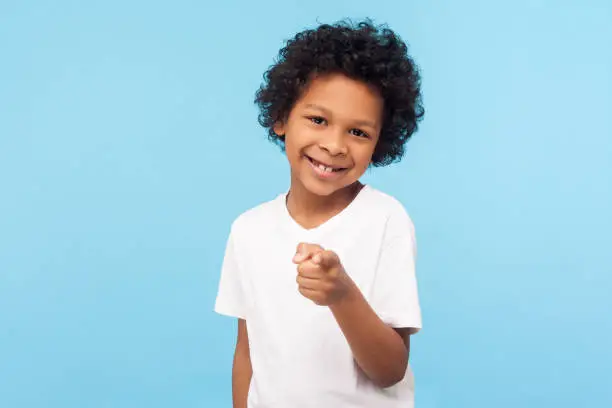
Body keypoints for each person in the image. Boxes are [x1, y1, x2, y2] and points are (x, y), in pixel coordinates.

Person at [214, 19, 425, 408]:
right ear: (281, 118)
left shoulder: (385, 220)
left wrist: (342, 294)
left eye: (358, 132)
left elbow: (390, 369)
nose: (334, 145)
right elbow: (247, 355)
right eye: (318, 120)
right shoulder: (248, 230)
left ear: (380, 143)